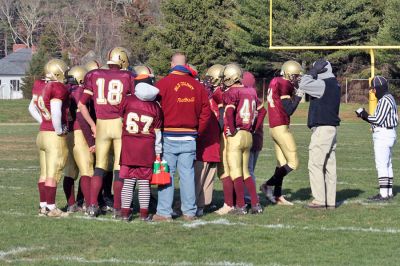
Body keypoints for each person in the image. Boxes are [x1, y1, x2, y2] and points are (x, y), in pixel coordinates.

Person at [153, 52, 211, 221]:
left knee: (167, 174)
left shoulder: (162, 84)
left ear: (172, 64)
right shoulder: (197, 86)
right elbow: (206, 113)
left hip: (168, 135)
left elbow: (155, 109)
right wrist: (197, 131)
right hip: (189, 136)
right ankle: (189, 211)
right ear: (186, 65)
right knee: (187, 175)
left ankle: (164, 212)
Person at [78, 47, 135, 217]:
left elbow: (81, 106)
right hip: (119, 123)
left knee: (99, 166)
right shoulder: (128, 76)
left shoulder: (94, 75)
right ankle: (118, 207)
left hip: (101, 124)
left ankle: (93, 205)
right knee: (119, 167)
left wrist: (93, 125)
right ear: (123, 60)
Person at [219, 63, 264, 215]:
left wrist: (231, 130)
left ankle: (240, 205)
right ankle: (256, 204)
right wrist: (254, 128)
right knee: (246, 172)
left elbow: (230, 113)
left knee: (236, 172)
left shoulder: (231, 92)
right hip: (248, 135)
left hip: (236, 136)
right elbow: (262, 112)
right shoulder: (251, 91)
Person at [298, 59, 341, 209]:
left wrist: (313, 72)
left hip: (322, 129)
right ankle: (330, 201)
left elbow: (303, 84)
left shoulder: (323, 84)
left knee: (315, 164)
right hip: (332, 128)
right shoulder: (334, 83)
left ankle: (319, 200)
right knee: (330, 166)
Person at [29, 58, 70, 217]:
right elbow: (56, 111)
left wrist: (42, 121)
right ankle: (52, 208)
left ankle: (43, 206)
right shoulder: (57, 87)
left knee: (44, 173)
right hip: (53, 135)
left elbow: (31, 107)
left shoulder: (40, 85)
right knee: (53, 173)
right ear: (58, 72)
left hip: (42, 134)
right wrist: (58, 129)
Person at [259, 60, 303, 205]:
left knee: (282, 163)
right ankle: (267, 185)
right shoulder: (284, 84)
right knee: (293, 163)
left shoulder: (275, 81)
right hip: (281, 128)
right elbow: (288, 109)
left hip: (273, 127)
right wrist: (298, 95)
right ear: (289, 74)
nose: (297, 79)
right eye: (296, 76)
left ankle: (278, 196)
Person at [119, 82, 162, 221]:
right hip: (146, 148)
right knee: (144, 183)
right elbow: (158, 133)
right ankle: (144, 215)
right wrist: (158, 152)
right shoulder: (156, 107)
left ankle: (125, 213)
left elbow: (121, 117)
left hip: (128, 146)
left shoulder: (128, 100)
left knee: (128, 181)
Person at [355, 76, 398, 201]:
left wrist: (364, 115)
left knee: (382, 165)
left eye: (373, 89)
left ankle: (384, 194)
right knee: (388, 164)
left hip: (383, 134)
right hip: (389, 133)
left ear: (378, 88)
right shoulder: (390, 98)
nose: (373, 92)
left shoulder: (385, 100)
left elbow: (378, 119)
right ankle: (388, 192)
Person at [63, 66, 95, 212]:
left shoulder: (64, 89)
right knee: (87, 170)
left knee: (70, 172)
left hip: (66, 133)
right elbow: (81, 117)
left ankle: (71, 204)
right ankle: (89, 205)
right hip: (79, 132)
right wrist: (91, 141)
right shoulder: (80, 91)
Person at [194, 64, 224, 217]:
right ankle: (202, 206)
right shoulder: (213, 99)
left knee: (198, 179)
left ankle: (195, 206)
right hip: (214, 144)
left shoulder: (208, 98)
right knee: (208, 179)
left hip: (204, 145)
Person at [241, 71, 267, 204]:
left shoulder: (247, 95)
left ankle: (249, 197)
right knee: (247, 169)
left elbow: (262, 112)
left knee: (247, 169)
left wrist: (253, 128)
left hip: (250, 138)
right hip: (256, 138)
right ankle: (246, 195)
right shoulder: (254, 96)